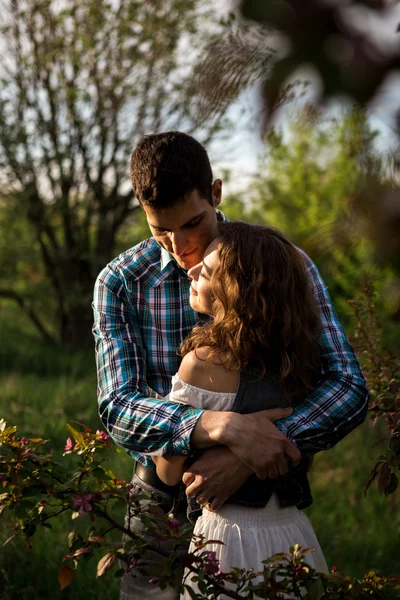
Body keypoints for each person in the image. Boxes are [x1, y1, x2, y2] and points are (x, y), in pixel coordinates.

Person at [92, 131, 368, 599]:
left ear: (215, 194)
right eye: (160, 230)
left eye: (192, 223)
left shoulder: (282, 265)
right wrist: (221, 427)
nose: (179, 246)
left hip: (261, 502)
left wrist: (255, 453)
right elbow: (119, 405)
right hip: (160, 499)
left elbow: (346, 385)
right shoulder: (121, 282)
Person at [153, 221, 328, 597]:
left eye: (210, 270)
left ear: (239, 292)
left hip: (226, 539)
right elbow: (303, 458)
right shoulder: (299, 360)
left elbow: (168, 473)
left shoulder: (202, 363)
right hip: (292, 535)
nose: (193, 268)